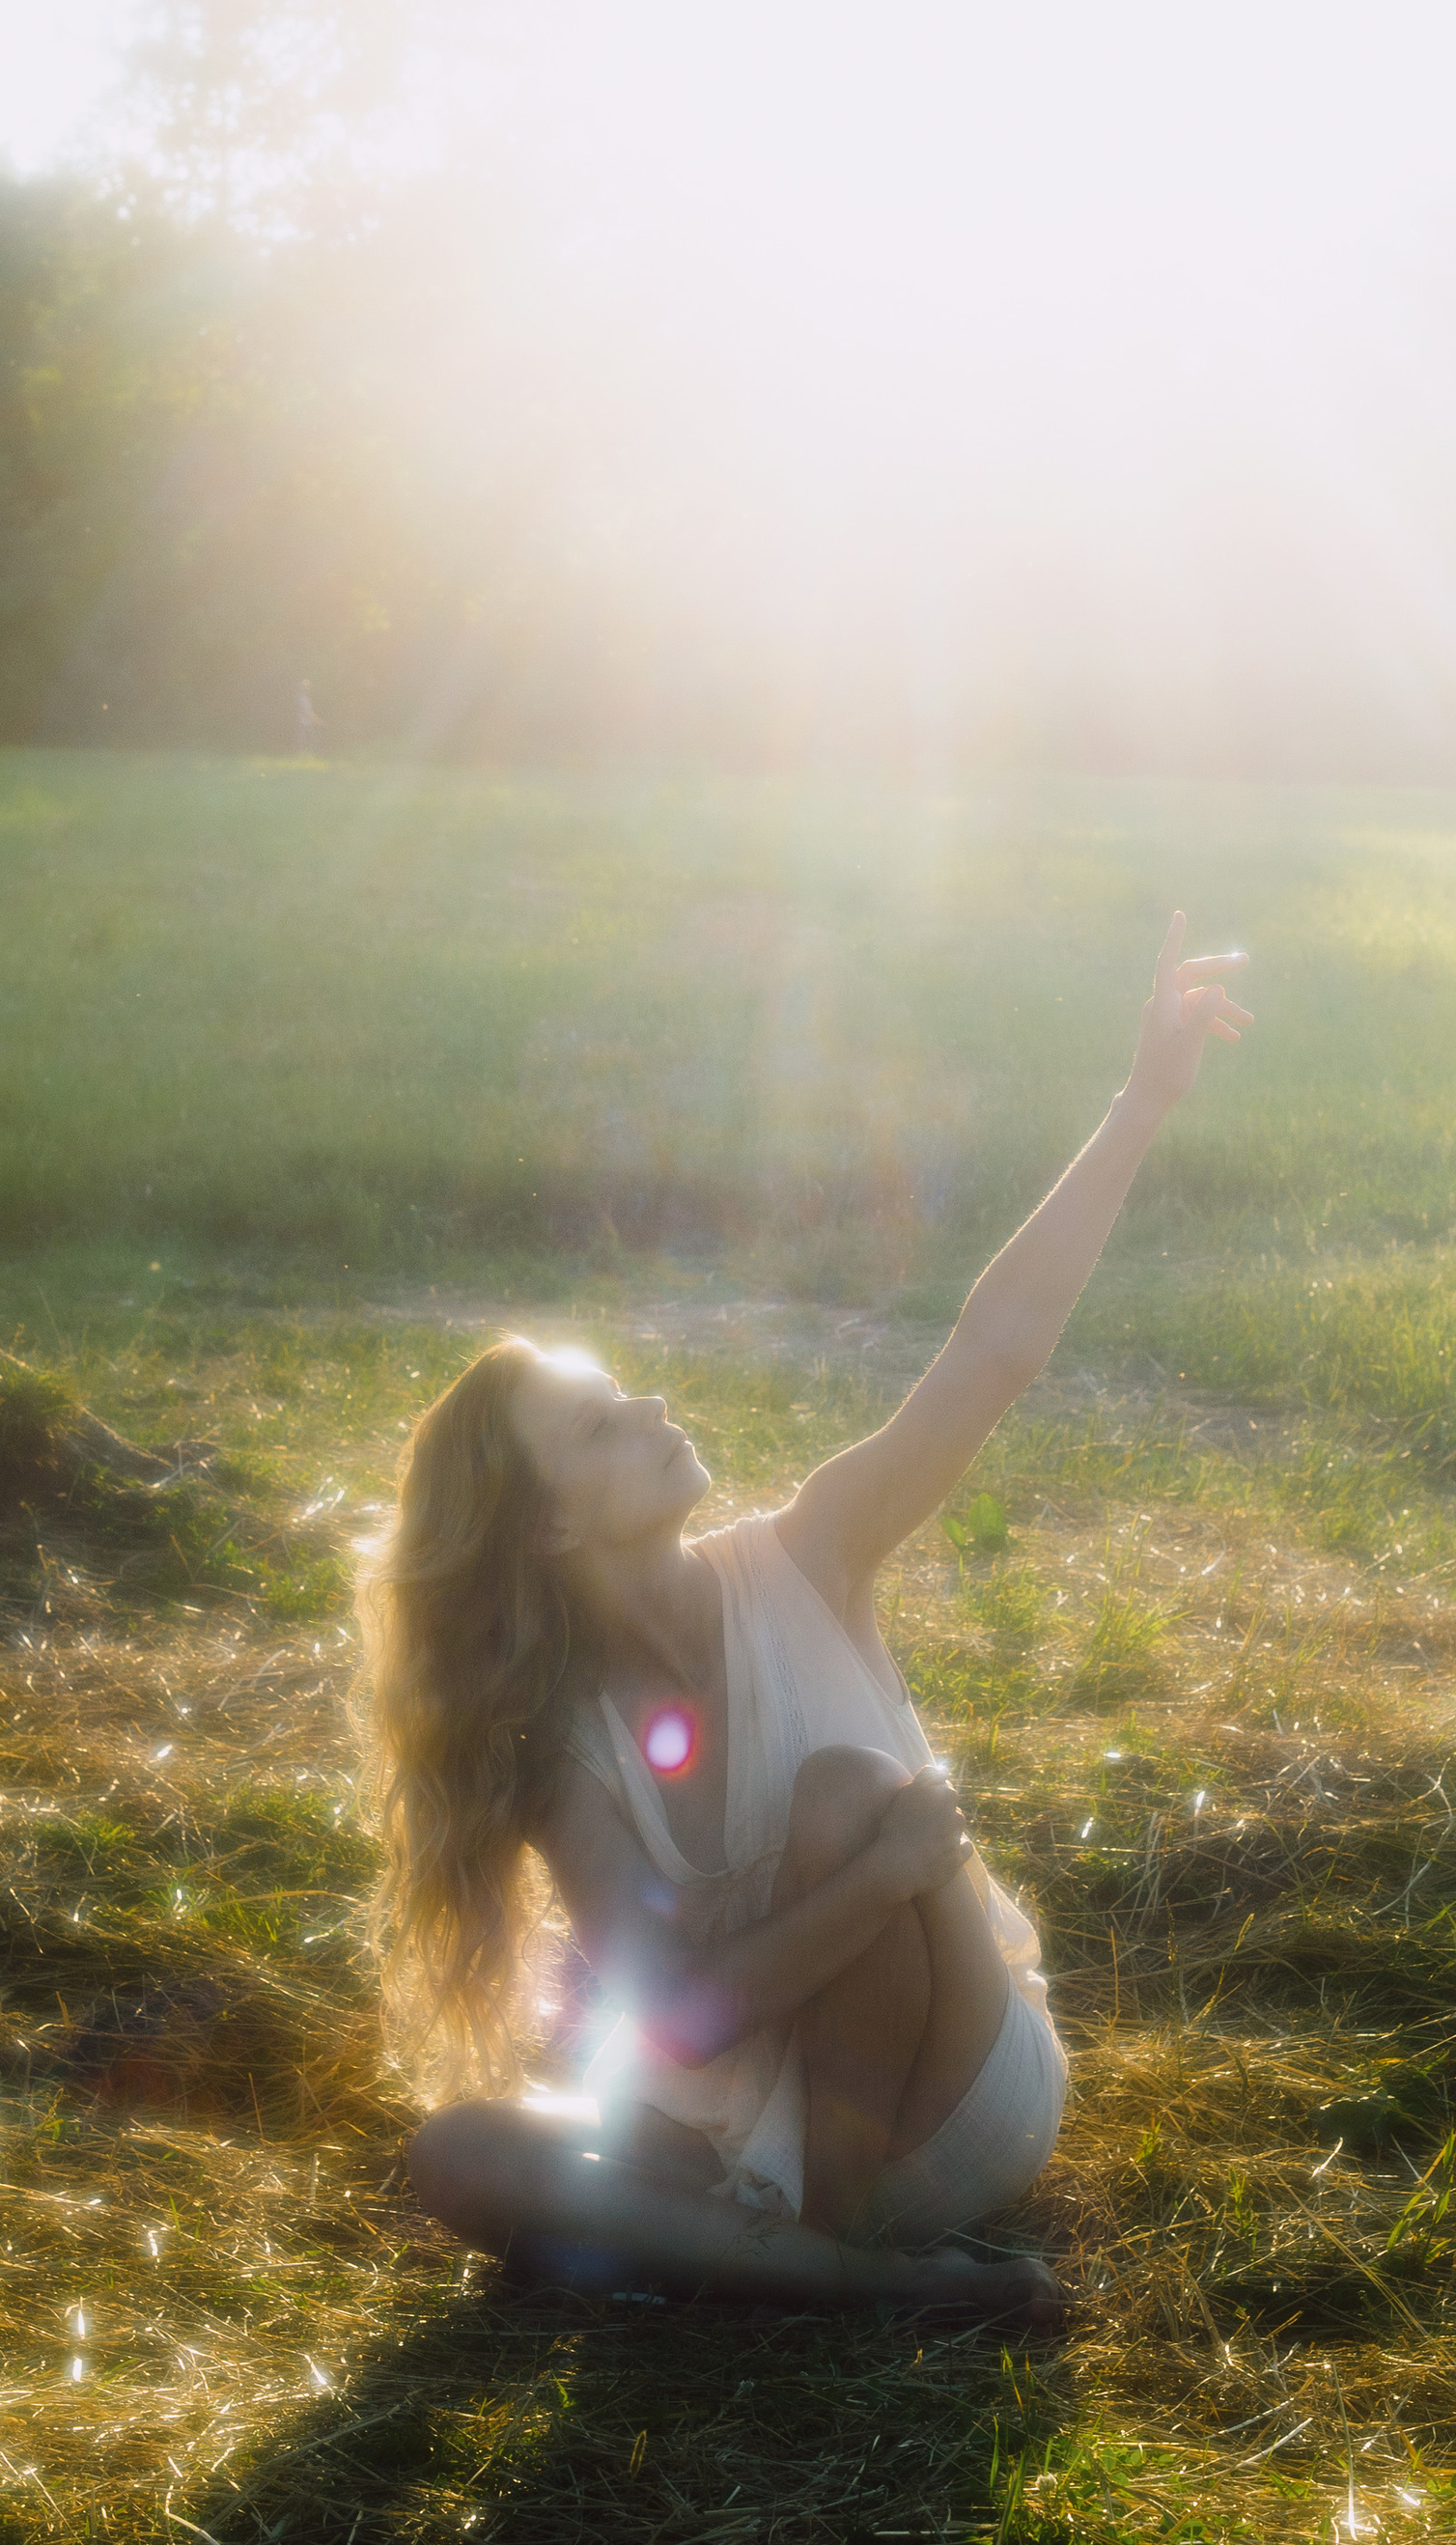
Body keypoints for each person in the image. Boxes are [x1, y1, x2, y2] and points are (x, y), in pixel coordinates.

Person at [355, 918, 1251, 2325]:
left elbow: (992, 1352)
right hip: (734, 2127)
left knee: (841, 1792)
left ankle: (788, 2253)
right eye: (601, 1427)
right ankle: (846, 2284)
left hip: (953, 2096)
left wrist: (1141, 1104)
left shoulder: (813, 1554)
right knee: (457, 2148)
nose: (655, 1410)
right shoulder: (557, 1746)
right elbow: (681, 2027)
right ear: (548, 1525)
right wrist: (878, 1879)